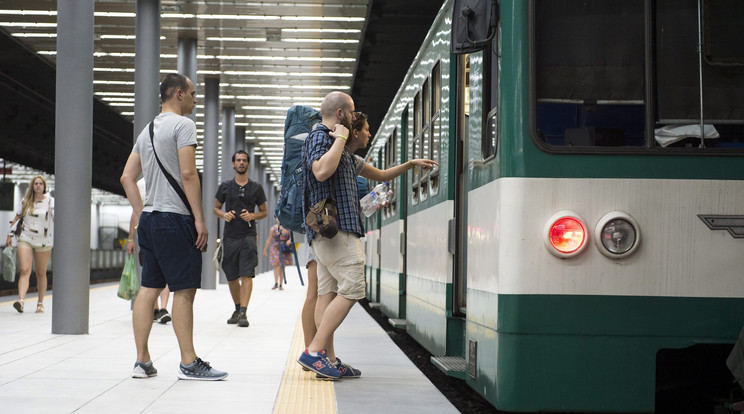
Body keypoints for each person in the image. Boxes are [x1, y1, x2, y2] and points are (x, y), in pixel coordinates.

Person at [299, 109, 438, 376]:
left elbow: (383, 175)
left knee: (326, 294)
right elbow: (321, 171)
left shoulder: (351, 160)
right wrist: (339, 139)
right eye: (365, 129)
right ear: (354, 132)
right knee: (353, 289)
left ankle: (327, 358)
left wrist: (410, 164)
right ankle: (314, 351)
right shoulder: (333, 149)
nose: (369, 133)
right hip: (338, 233)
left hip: (325, 238)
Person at [120, 73, 227, 380]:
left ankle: (142, 361)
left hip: (151, 220)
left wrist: (142, 215)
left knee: (148, 290)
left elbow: (127, 178)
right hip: (175, 219)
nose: (195, 99)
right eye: (193, 94)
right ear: (179, 94)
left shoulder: (149, 129)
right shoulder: (184, 125)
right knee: (183, 291)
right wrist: (199, 218)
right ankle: (189, 362)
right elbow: (188, 173)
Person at [213, 150, 267, 328]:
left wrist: (252, 215)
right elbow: (216, 208)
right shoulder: (225, 186)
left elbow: (264, 212)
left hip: (248, 236)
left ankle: (243, 312)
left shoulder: (256, 187)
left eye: (244, 160)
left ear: (248, 164)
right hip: (230, 236)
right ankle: (237, 308)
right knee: (231, 275)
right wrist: (224, 214)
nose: (241, 163)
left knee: (246, 274)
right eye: (238, 160)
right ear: (233, 164)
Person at [5, 175, 54, 314]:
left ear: (44, 187)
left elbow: (57, 216)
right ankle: (21, 301)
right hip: (25, 237)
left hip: (43, 240)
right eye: (36, 183)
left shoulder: (51, 201)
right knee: (25, 270)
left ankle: (40, 303)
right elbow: (17, 217)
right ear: (32, 186)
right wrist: (9, 234)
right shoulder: (25, 201)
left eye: (40, 183)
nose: (38, 186)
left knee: (40, 272)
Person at [263, 217, 294, 291]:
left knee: (282, 267)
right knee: (276, 265)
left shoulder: (287, 228)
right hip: (276, 247)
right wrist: (265, 250)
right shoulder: (273, 229)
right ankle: (276, 282)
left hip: (284, 248)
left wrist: (289, 241)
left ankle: (281, 284)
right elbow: (269, 239)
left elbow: (291, 237)